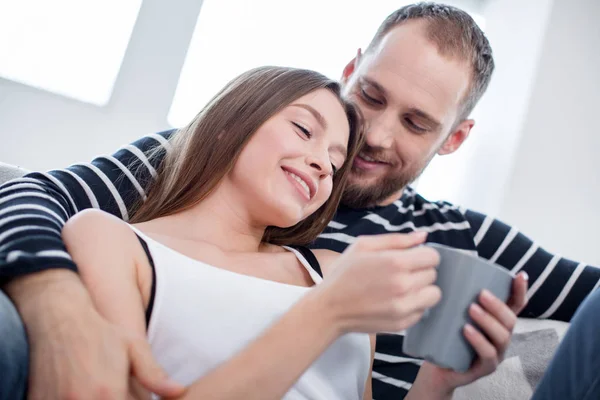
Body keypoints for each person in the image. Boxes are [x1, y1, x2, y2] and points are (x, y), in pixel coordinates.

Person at [0, 2, 599, 399]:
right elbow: (34, 194)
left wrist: (439, 381)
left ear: (455, 139)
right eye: (369, 95)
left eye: (417, 123)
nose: (374, 135)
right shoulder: (202, 164)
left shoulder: (451, 240)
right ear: (350, 69)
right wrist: (60, 311)